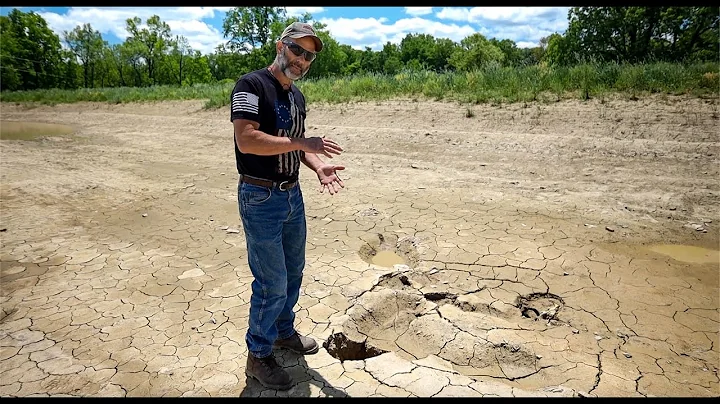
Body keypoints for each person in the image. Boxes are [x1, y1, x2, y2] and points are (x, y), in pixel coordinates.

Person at [229, 22, 346, 391]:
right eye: (298, 50)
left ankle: (282, 332)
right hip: (260, 196)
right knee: (271, 282)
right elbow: (247, 141)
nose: (303, 60)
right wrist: (303, 143)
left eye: (310, 55)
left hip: (292, 194)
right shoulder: (250, 85)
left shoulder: (297, 97)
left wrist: (317, 164)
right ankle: (258, 356)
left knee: (293, 272)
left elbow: (298, 148)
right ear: (281, 45)